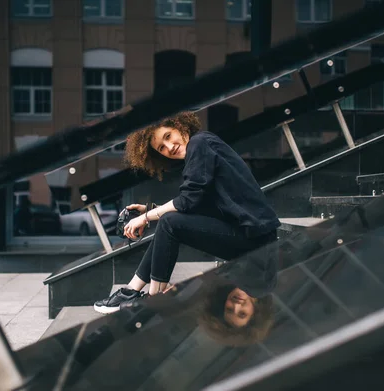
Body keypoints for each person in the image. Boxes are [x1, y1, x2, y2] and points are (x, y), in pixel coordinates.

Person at [93, 111, 281, 314]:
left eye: (168, 136)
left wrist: (145, 217)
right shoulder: (201, 147)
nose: (169, 147)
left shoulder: (200, 143)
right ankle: (132, 290)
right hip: (249, 236)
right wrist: (151, 210)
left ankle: (153, 299)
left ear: (179, 125)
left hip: (256, 240)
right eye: (161, 148)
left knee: (170, 223)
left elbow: (188, 200)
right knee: (169, 221)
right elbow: (197, 204)